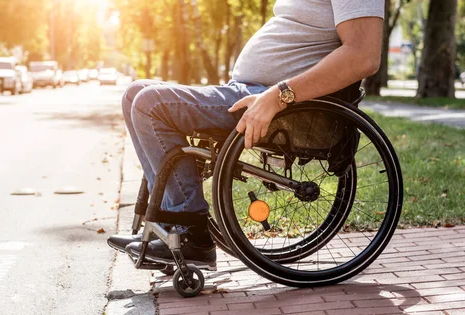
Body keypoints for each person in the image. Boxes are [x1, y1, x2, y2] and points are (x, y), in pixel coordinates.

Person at [107, 0, 384, 269]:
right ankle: (170, 231)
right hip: (253, 91)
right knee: (134, 94)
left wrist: (278, 96)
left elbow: (363, 56)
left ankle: (191, 234)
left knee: (150, 104)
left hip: (279, 103)